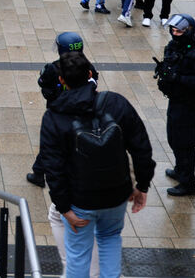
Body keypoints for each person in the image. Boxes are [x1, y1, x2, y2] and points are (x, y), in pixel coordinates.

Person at [38, 52, 153, 278]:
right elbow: (141, 147)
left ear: (61, 80)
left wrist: (63, 207)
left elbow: (53, 167)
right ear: (90, 74)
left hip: (80, 200)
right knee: (110, 237)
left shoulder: (54, 117)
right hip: (116, 195)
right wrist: (142, 185)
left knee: (78, 256)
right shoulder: (116, 103)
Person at [27, 32, 98, 188]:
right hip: (81, 114)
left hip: (59, 112)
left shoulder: (53, 68)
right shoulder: (88, 67)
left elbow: (43, 83)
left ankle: (39, 173)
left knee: (51, 143)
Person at [157, 14, 195, 196]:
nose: (175, 33)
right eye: (173, 30)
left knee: (185, 144)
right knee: (173, 138)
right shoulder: (173, 47)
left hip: (188, 105)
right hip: (175, 101)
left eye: (179, 31)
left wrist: (179, 78)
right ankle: (180, 169)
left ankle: (188, 183)